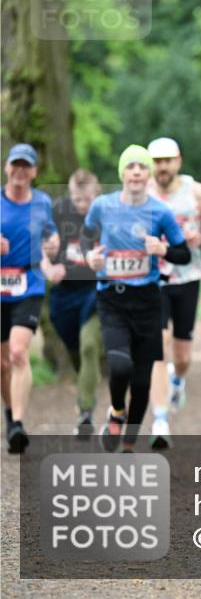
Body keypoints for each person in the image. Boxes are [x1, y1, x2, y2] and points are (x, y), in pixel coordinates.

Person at [83, 145, 190, 452]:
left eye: (142, 167)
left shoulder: (161, 211)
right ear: (122, 173)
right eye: (130, 166)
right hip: (112, 300)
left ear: (149, 174)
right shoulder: (102, 206)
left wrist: (163, 250)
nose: (136, 172)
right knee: (119, 366)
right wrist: (90, 258)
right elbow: (84, 242)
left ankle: (128, 444)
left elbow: (183, 253)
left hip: (148, 302)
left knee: (142, 382)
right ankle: (117, 410)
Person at [146, 136, 201, 449]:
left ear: (178, 161)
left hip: (188, 276)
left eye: (167, 160)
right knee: (157, 344)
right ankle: (160, 419)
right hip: (154, 278)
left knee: (183, 355)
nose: (162, 167)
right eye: (156, 161)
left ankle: (177, 380)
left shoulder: (195, 191)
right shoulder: (141, 192)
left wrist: (200, 236)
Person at [0, 144, 59, 453]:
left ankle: (19, 424)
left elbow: (50, 235)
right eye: (15, 165)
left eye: (26, 166)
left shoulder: (42, 202)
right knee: (2, 363)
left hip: (29, 284)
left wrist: (52, 246)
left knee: (19, 353)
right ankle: (10, 418)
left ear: (34, 171)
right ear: (7, 168)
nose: (20, 171)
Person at [48, 169, 103, 437]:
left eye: (87, 200)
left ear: (97, 195)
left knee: (90, 346)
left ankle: (85, 413)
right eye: (77, 200)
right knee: (75, 349)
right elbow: (41, 247)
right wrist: (49, 267)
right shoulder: (59, 212)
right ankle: (87, 382)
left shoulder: (105, 215)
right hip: (64, 295)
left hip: (94, 291)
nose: (82, 206)